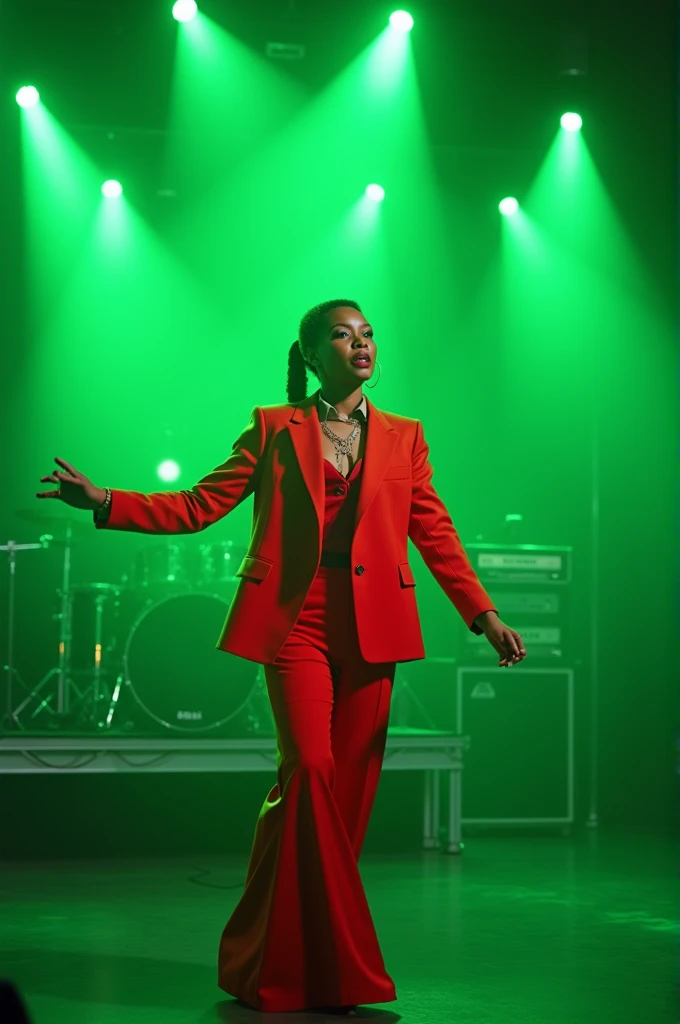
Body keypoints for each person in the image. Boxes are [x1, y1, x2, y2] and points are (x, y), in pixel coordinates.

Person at [36, 298, 526, 1016]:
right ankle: (302, 964)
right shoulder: (273, 428)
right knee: (308, 771)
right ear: (310, 353)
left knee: (347, 803)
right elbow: (199, 504)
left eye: (367, 334)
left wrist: (483, 614)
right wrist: (106, 500)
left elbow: (435, 530)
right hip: (296, 620)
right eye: (342, 334)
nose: (361, 344)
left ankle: (301, 963)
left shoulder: (405, 437)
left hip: (373, 629)